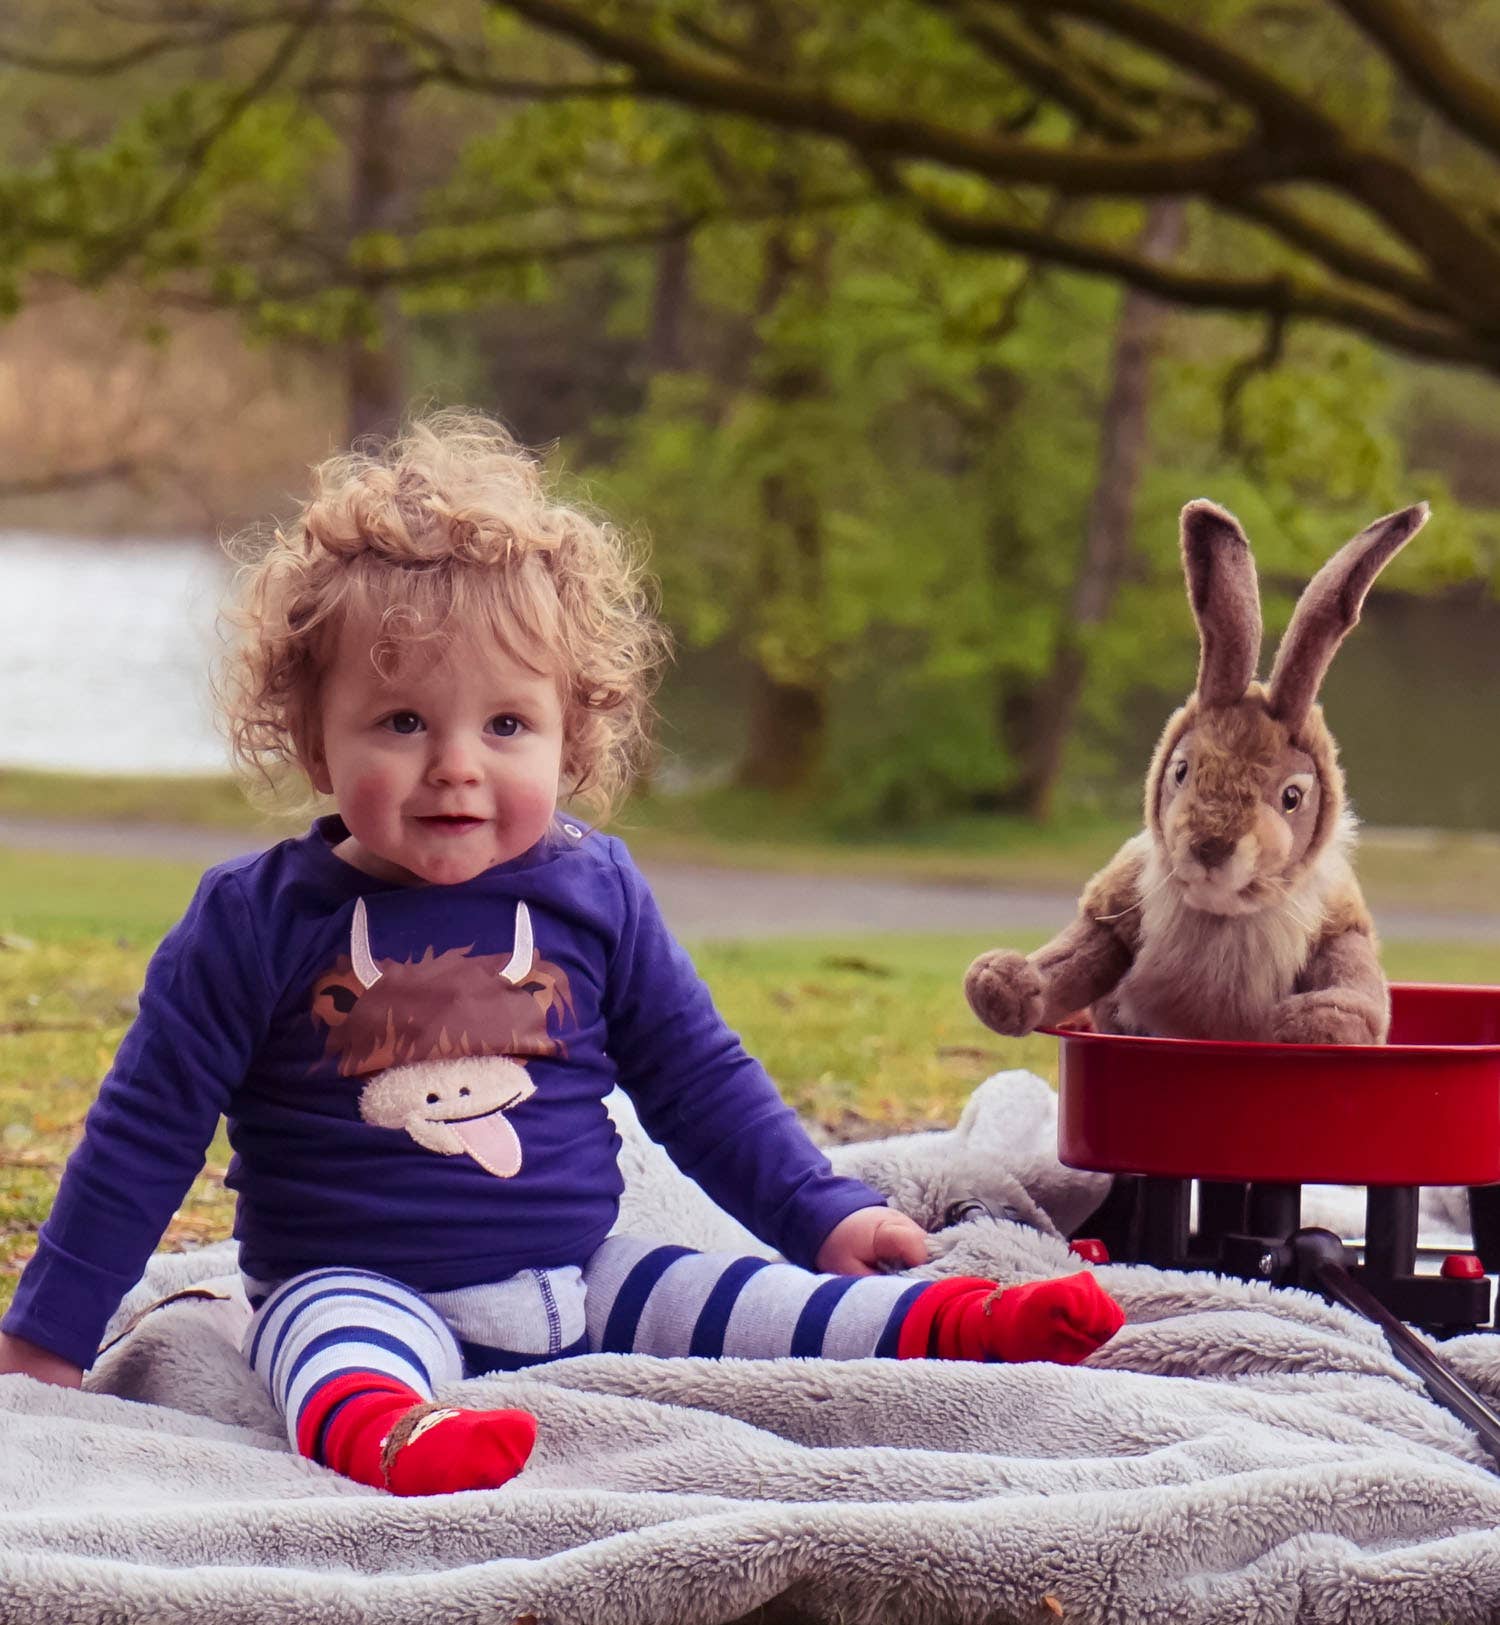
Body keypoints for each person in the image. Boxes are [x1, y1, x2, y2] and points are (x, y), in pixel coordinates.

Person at [0, 414, 1123, 1495]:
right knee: (330, 1347)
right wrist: (48, 1338)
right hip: (353, 1279)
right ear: (311, 735)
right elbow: (143, 1135)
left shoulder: (595, 893)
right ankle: (400, 1437)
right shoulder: (253, 922)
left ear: (570, 733)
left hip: (576, 1276)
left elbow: (700, 1081)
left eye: (504, 725)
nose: (455, 766)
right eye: (401, 722)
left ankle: (956, 1320)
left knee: (747, 1300)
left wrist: (826, 1213)